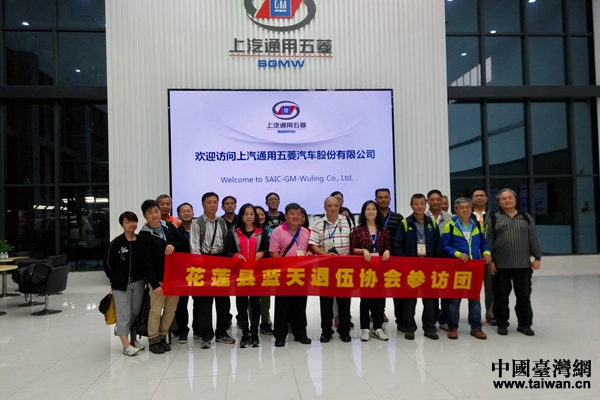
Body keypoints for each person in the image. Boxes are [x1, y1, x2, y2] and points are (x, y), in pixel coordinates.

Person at [487, 188, 542, 336]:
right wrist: (490, 262)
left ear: (515, 200)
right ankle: (502, 324)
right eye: (503, 199)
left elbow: (533, 238)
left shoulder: (526, 217)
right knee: (501, 297)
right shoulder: (494, 219)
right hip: (500, 266)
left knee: (524, 296)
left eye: (509, 198)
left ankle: (524, 324)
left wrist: (537, 257)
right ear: (499, 202)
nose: (507, 200)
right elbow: (488, 242)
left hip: (522, 265)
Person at [138, 199, 185, 354]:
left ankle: (163, 336)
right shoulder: (143, 235)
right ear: (145, 216)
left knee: (171, 309)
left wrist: (173, 245)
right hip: (157, 279)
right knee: (156, 310)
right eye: (150, 212)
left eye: (156, 211)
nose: (154, 215)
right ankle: (153, 339)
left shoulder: (168, 226)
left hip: (173, 278)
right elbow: (145, 262)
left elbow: (182, 242)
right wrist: (154, 284)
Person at [393, 193, 443, 340]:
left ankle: (429, 327)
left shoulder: (431, 223)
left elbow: (437, 243)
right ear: (411, 206)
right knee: (409, 299)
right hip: (411, 268)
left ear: (425, 204)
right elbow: (398, 245)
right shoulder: (405, 223)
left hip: (429, 267)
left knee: (430, 298)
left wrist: (437, 263)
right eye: (416, 204)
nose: (420, 206)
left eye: (422, 203)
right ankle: (409, 327)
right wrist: (406, 263)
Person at [440, 197, 491, 340]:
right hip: (457, 267)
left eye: (468, 207)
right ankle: (452, 327)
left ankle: (476, 327)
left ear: (472, 209)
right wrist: (456, 254)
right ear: (456, 210)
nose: (465, 210)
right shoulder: (450, 225)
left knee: (474, 298)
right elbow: (445, 245)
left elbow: (483, 243)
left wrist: (487, 253)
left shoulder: (477, 225)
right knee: (454, 299)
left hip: (474, 267)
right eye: (461, 208)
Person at [189, 192, 234, 349]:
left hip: (220, 261)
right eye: (209, 202)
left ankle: (222, 332)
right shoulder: (197, 223)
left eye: (215, 202)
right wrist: (200, 265)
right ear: (203, 204)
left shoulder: (222, 221)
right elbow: (194, 246)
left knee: (223, 300)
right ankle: (206, 334)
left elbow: (226, 242)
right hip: (204, 262)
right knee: (204, 301)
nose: (212, 205)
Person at [225, 204, 270, 348]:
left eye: (252, 214)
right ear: (241, 215)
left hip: (256, 273)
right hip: (240, 273)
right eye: (246, 214)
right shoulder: (233, 231)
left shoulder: (262, 231)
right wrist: (235, 255)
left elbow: (268, 250)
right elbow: (227, 251)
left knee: (255, 303)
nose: (249, 217)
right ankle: (245, 333)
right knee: (241, 303)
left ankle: (254, 333)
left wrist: (262, 253)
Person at [309, 196, 352, 343]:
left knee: (344, 302)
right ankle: (326, 331)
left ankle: (344, 331)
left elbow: (353, 243)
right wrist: (325, 255)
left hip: (344, 268)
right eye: (329, 206)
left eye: (335, 205)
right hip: (325, 268)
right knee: (326, 302)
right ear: (325, 208)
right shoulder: (318, 224)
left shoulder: (348, 222)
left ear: (339, 206)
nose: (333, 208)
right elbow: (313, 244)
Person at [270, 203, 312, 347]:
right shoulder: (278, 231)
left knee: (300, 304)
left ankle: (300, 333)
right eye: (292, 214)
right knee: (282, 305)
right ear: (286, 216)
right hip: (284, 274)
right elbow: (273, 252)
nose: (296, 217)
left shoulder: (305, 232)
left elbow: (309, 250)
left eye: (298, 214)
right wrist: (285, 267)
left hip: (301, 274)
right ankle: (280, 336)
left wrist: (309, 254)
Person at [104, 211, 146, 356]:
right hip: (121, 285)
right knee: (124, 314)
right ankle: (126, 345)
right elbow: (107, 264)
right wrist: (115, 279)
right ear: (122, 225)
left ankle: (133, 340)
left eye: (134, 221)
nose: (131, 224)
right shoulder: (117, 243)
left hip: (139, 283)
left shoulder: (141, 241)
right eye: (128, 222)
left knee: (135, 313)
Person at [350, 200, 391, 341]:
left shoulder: (383, 229)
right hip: (364, 269)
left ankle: (378, 328)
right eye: (368, 209)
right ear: (364, 212)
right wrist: (363, 251)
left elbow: (388, 246)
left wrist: (387, 251)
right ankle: (365, 329)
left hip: (380, 269)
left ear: (377, 212)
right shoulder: (357, 229)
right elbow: (352, 249)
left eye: (373, 209)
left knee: (379, 299)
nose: (371, 212)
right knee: (365, 299)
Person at [425, 189, 453, 330]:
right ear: (428, 201)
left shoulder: (450, 218)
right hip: (429, 260)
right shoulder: (422, 217)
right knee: (431, 292)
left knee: (446, 291)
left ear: (442, 201)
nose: (435, 202)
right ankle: (432, 318)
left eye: (438, 199)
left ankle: (444, 320)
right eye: (432, 199)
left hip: (446, 259)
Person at [375, 188, 403, 324]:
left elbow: (402, 238)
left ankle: (400, 318)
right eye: (380, 197)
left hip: (394, 258)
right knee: (378, 288)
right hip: (376, 259)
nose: (383, 200)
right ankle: (379, 314)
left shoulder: (398, 218)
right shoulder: (372, 215)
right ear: (376, 200)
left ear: (390, 199)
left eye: (386, 197)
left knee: (396, 287)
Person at [472, 188, 495, 326]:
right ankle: (475, 316)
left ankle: (491, 314)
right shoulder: (467, 215)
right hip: (472, 259)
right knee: (473, 288)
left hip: (488, 258)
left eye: (482, 196)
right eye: (476, 196)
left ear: (486, 198)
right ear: (472, 199)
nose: (479, 198)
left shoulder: (494, 216)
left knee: (491, 288)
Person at [173, 202, 193, 344]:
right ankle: (183, 330)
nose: (186, 213)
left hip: (199, 271)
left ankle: (199, 329)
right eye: (183, 211)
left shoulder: (199, 229)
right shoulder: (175, 232)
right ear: (178, 216)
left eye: (188, 211)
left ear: (193, 213)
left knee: (200, 302)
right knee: (181, 303)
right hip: (181, 272)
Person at [254, 205, 273, 335]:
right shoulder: (245, 231)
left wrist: (262, 253)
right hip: (250, 268)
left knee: (266, 296)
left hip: (266, 268)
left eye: (262, 214)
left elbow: (270, 249)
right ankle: (253, 323)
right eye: (257, 215)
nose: (260, 217)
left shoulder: (269, 231)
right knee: (252, 297)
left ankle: (265, 321)